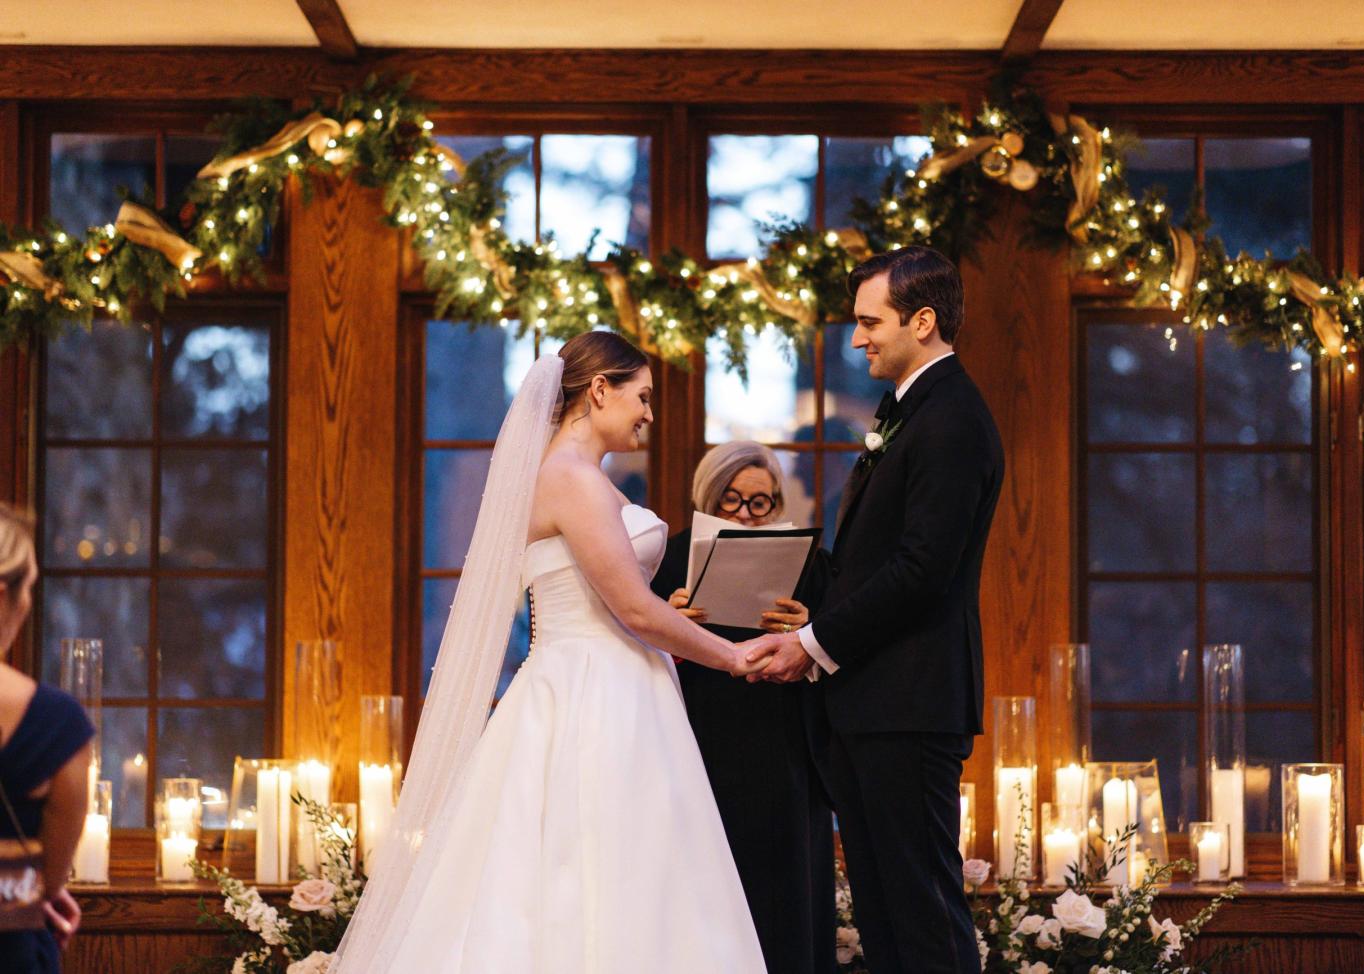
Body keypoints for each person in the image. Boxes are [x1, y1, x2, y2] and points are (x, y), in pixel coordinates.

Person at [332, 331, 772, 973]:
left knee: (634, 870)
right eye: (641, 396)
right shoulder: (569, 479)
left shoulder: (582, 479)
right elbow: (631, 608)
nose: (649, 413)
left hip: (612, 681)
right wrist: (733, 658)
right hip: (593, 692)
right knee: (589, 869)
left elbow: (619, 598)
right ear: (599, 390)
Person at [746, 245, 1005, 974]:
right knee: (888, 918)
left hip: (911, 706)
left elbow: (923, 571)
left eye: (869, 322)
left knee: (922, 917)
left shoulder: (951, 417)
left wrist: (815, 643)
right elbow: (870, 560)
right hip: (875, 703)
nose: (857, 338)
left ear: (922, 320)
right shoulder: (909, 411)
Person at [650, 441, 834, 974]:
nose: (746, 515)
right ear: (709, 501)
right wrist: (671, 624)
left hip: (785, 752)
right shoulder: (673, 563)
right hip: (700, 746)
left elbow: (842, 650)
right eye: (731, 501)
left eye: (761, 503)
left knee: (784, 898)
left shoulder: (811, 566)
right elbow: (637, 651)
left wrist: (808, 630)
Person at [0, 504, 93, 974]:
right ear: (2, 595)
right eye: (30, 586)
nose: (29, 601)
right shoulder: (56, 723)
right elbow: (50, 878)